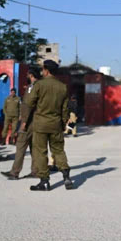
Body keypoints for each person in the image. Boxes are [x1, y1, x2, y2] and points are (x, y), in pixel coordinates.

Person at [26, 60, 74, 191]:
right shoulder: (62, 87)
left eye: (42, 69)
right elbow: (65, 108)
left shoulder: (39, 84)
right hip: (56, 124)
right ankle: (66, 176)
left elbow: (29, 102)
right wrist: (63, 122)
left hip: (41, 124)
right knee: (58, 150)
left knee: (40, 152)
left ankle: (44, 181)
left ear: (46, 70)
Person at [1, 69, 41, 180]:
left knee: (21, 146)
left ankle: (14, 172)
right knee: (34, 148)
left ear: (31, 75)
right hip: (37, 121)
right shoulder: (41, 86)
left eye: (28, 74)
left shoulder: (32, 87)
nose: (26, 76)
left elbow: (28, 105)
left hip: (28, 122)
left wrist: (23, 122)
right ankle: (36, 171)